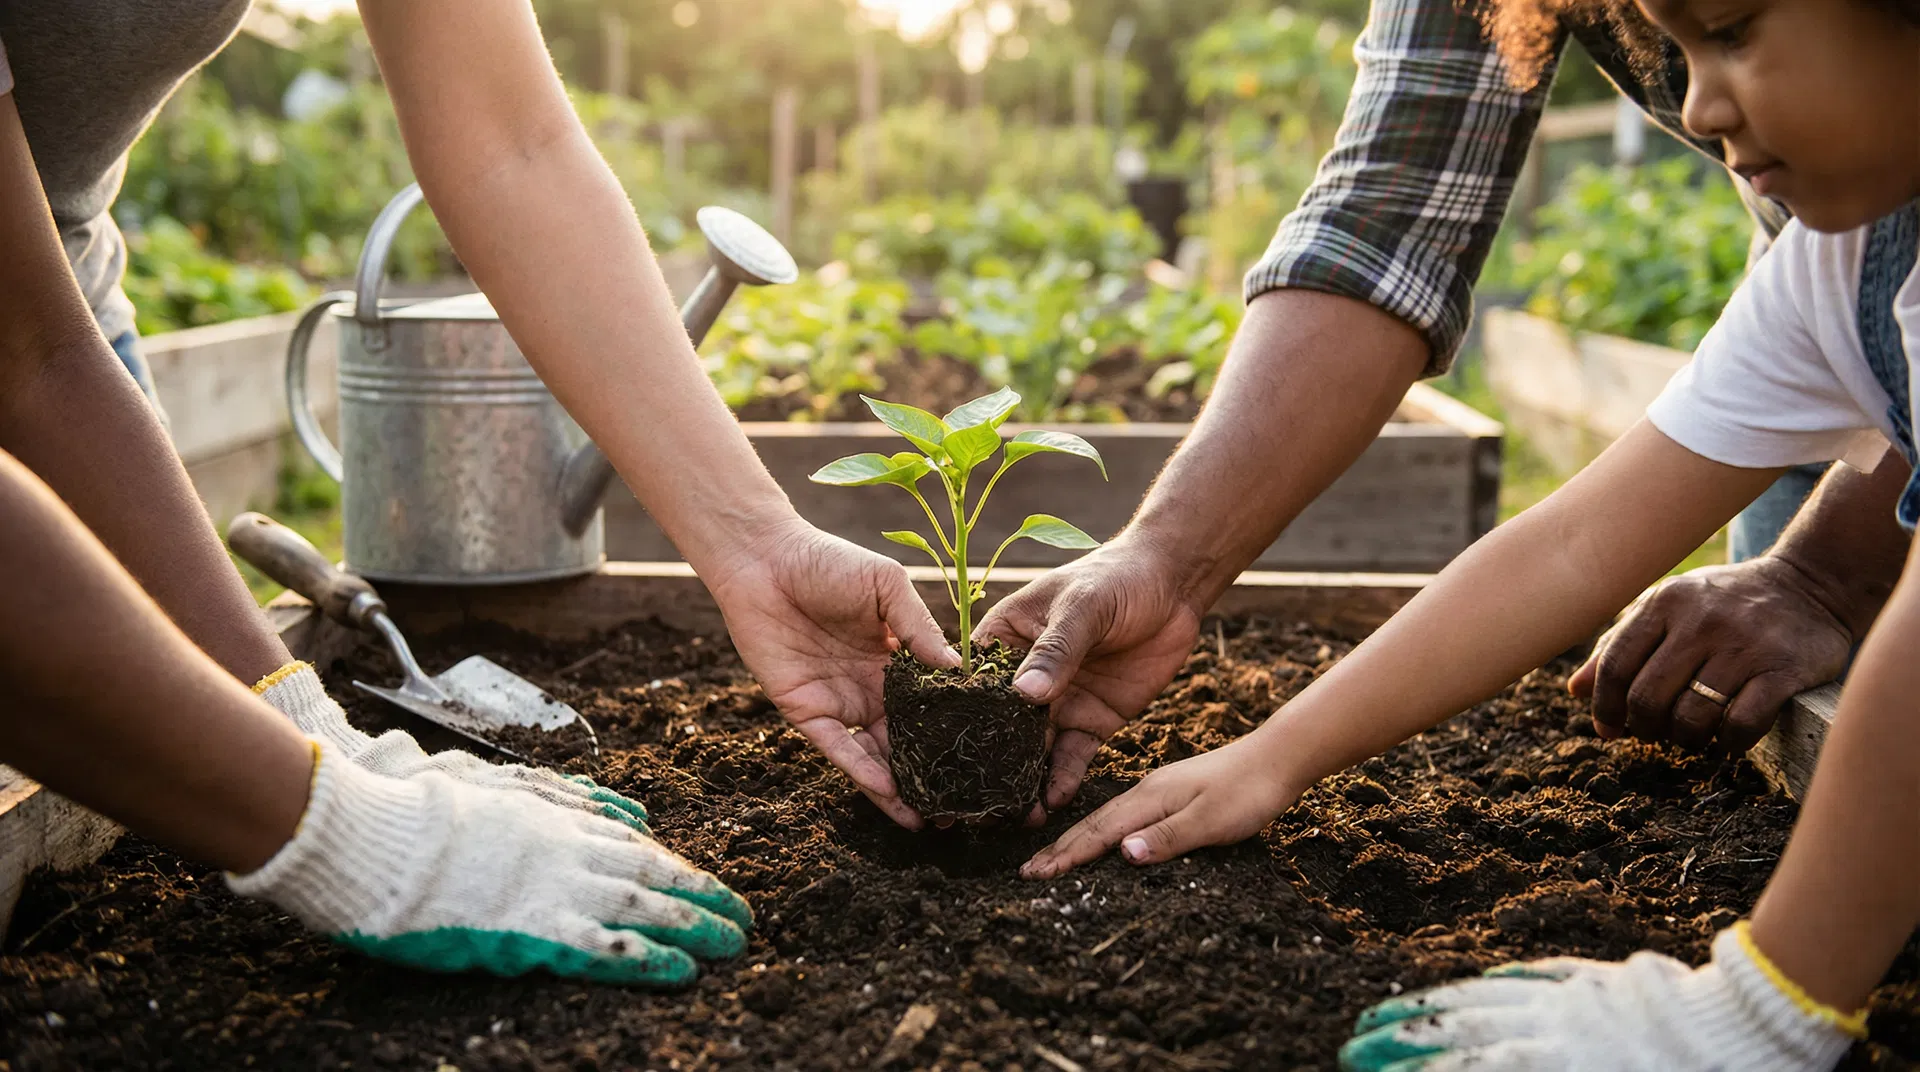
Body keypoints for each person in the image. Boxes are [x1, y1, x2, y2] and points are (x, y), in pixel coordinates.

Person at [1023, 0, 1920, 1067]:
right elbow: (1576, 544)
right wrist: (1274, 756)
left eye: (1728, 30)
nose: (1694, 104)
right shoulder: (1838, 268)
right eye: (1672, 49)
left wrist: (1767, 1004)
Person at [0, 0, 959, 846]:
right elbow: (22, 353)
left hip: (73, 315)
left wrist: (757, 544)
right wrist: (314, 758)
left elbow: (511, 141)